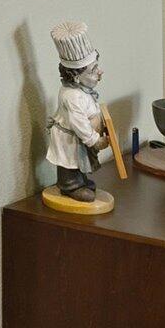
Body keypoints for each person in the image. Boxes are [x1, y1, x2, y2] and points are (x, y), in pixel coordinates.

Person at [45, 21, 108, 203]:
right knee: (69, 163)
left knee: (78, 163)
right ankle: (70, 186)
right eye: (94, 70)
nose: (100, 72)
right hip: (71, 138)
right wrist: (95, 141)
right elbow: (79, 123)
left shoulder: (81, 91)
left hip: (80, 138)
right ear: (76, 76)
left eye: (97, 66)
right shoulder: (72, 96)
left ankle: (80, 181)